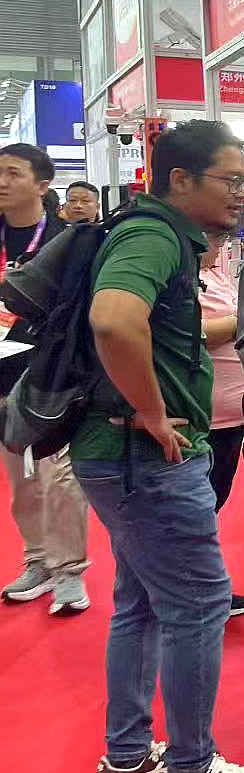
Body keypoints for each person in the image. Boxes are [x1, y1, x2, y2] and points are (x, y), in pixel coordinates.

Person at [74, 121, 244, 773]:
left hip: (121, 456)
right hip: (144, 457)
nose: (241, 193)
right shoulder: (154, 236)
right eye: (231, 180)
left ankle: (127, 757)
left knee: (141, 601)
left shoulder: (159, 235)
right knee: (198, 603)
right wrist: (152, 411)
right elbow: (114, 320)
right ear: (179, 180)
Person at [0, 143, 90, 614]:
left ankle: (70, 572)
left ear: (41, 185)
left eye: (13, 173)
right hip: (3, 378)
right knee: (22, 482)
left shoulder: (65, 240)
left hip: (52, 375)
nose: (2, 182)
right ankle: (36, 561)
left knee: (62, 477)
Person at [197, 231, 244, 619]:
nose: (220, 245)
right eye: (214, 237)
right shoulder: (180, 278)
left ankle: (206, 586)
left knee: (212, 504)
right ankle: (201, 590)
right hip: (206, 416)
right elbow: (196, 333)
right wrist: (242, 321)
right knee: (198, 509)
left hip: (231, 415)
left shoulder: (214, 274)